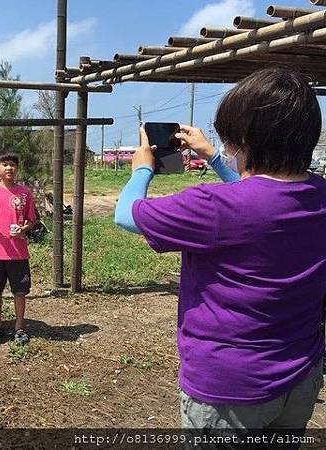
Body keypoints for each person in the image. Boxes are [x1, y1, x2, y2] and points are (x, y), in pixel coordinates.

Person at [115, 67, 326, 438]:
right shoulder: (318, 194)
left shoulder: (215, 206)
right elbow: (261, 201)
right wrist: (213, 157)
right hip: (301, 375)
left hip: (230, 388)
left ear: (243, 136)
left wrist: (141, 169)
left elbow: (126, 215)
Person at [0, 152, 37, 345]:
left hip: (18, 252)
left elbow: (31, 220)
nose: (9, 168)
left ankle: (19, 327)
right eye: (5, 164)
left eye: (13, 164)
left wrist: (24, 228)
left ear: (17, 168)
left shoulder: (24, 193)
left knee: (19, 291)